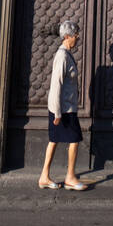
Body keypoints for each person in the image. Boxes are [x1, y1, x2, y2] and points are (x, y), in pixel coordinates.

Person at [38, 19, 88, 190]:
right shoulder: (62, 56)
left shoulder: (66, 55)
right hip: (64, 109)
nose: (78, 37)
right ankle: (70, 177)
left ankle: (44, 176)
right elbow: (56, 85)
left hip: (64, 107)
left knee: (54, 140)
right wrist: (57, 112)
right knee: (74, 140)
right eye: (76, 34)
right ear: (67, 36)